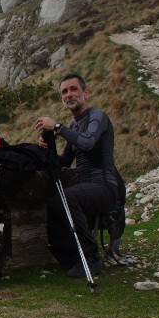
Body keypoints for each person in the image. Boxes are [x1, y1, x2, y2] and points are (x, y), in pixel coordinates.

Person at [35, 73, 119, 278]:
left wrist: (57, 127)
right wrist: (48, 147)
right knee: (56, 202)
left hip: (105, 186)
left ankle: (92, 257)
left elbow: (88, 142)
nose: (69, 95)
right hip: (89, 186)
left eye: (73, 89)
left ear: (86, 92)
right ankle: (71, 257)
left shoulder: (97, 117)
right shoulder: (74, 126)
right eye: (64, 92)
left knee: (68, 198)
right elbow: (65, 161)